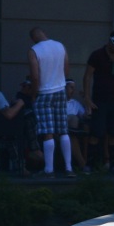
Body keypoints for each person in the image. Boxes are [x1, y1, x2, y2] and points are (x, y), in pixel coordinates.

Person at [27, 26, 74, 178]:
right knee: (63, 131)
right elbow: (66, 69)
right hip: (60, 90)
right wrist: (60, 81)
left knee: (48, 132)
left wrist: (34, 94)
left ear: (33, 39)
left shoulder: (34, 51)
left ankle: (49, 170)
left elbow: (34, 76)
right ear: (45, 33)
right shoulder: (60, 46)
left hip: (44, 93)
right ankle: (68, 168)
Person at [84, 29, 114, 173]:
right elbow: (88, 76)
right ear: (109, 41)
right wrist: (87, 98)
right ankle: (90, 163)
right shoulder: (97, 55)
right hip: (99, 99)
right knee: (96, 132)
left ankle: (113, 163)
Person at [64, 80, 90, 173]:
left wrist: (85, 99)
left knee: (82, 126)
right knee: (73, 119)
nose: (73, 91)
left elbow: (86, 115)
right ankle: (82, 163)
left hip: (73, 132)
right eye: (71, 88)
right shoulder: (58, 102)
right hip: (60, 132)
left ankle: (83, 160)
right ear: (64, 88)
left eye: (74, 88)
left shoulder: (75, 103)